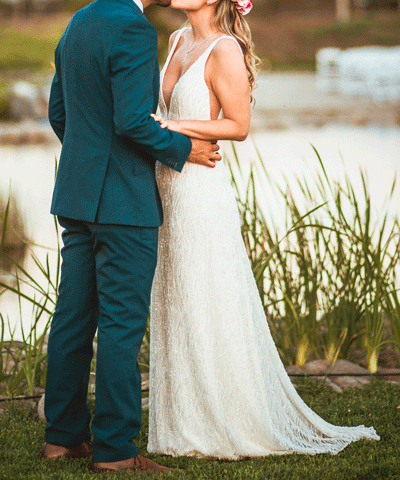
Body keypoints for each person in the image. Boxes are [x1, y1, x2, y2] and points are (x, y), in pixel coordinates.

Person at [148, 0, 380, 458]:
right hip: (165, 188)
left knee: (207, 296)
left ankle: (226, 420)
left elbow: (238, 124)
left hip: (199, 192)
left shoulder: (225, 48)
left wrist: (169, 125)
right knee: (176, 299)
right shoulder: (176, 40)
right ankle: (182, 423)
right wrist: (164, 133)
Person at [41, 0, 221, 474]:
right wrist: (186, 149)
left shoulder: (80, 20)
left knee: (73, 319)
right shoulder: (135, 30)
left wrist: (89, 159)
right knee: (121, 327)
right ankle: (116, 449)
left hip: (78, 197)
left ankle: (61, 439)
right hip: (123, 202)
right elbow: (132, 122)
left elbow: (59, 112)